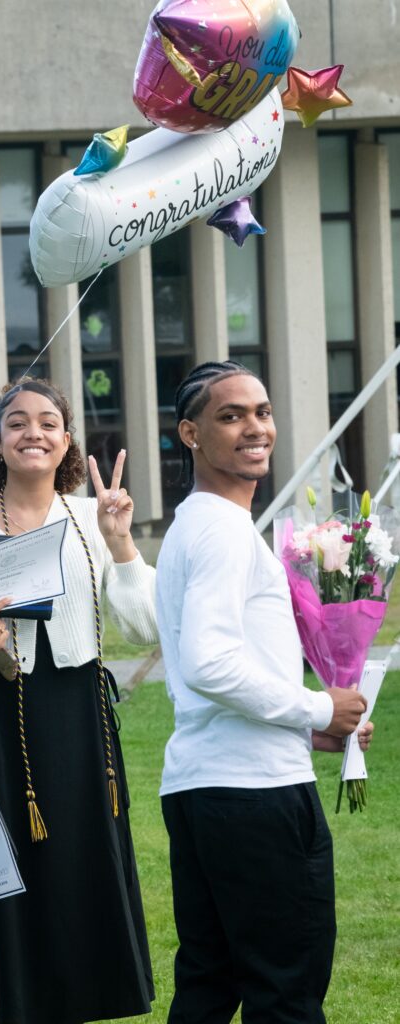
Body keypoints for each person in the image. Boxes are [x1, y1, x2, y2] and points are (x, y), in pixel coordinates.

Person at [0, 377, 158, 1024]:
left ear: (67, 440)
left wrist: (122, 542)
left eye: (48, 422)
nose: (33, 433)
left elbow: (147, 626)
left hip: (76, 727)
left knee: (74, 883)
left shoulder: (88, 518)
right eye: (17, 422)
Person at [156, 361, 372, 1024]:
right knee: (285, 993)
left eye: (261, 411)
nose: (254, 428)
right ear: (190, 433)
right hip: (255, 800)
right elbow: (209, 665)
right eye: (230, 416)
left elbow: (210, 674)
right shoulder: (220, 529)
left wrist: (306, 730)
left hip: (205, 789)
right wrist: (316, 705)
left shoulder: (195, 525)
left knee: (209, 985)